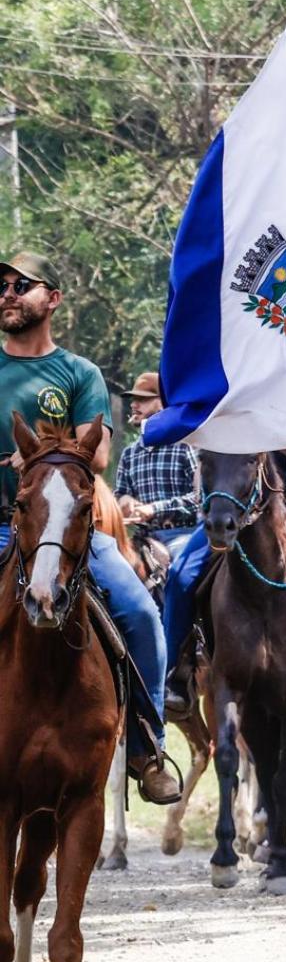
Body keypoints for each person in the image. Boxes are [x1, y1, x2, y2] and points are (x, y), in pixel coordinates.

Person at [0, 250, 180, 803]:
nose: (7, 293)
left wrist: (38, 461)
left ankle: (149, 744)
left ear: (52, 298)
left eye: (21, 285)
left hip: (69, 532)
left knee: (142, 612)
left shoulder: (80, 374)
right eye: (2, 285)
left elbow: (96, 454)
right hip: (1, 527)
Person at [162, 437, 286, 714]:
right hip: (236, 502)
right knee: (180, 574)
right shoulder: (236, 403)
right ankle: (175, 671)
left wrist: (281, 444)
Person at [114, 371, 198, 561]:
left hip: (183, 537)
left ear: (163, 403)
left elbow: (201, 498)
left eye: (142, 400)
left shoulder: (186, 446)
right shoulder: (129, 454)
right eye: (133, 399)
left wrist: (154, 509)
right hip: (142, 539)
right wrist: (123, 501)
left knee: (179, 576)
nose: (134, 405)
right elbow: (119, 494)